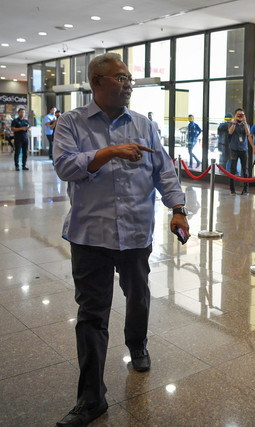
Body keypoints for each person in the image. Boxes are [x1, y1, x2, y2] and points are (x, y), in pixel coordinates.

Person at [52, 52, 189, 427]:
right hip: (89, 235)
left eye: (129, 78)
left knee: (138, 294)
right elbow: (65, 166)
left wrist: (178, 209)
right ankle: (92, 399)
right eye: (120, 78)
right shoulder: (71, 122)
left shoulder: (144, 125)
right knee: (92, 315)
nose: (128, 83)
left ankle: (137, 344)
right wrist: (108, 152)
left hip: (134, 231)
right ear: (97, 82)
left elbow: (164, 170)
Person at [228, 108, 255, 195]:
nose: (240, 116)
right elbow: (230, 132)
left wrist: (245, 122)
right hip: (234, 149)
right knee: (232, 170)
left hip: (243, 150)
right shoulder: (231, 124)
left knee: (245, 170)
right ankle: (232, 189)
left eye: (241, 115)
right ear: (235, 115)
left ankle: (246, 189)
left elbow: (248, 133)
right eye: (238, 115)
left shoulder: (246, 124)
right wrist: (235, 122)